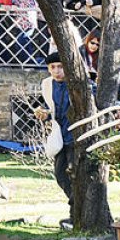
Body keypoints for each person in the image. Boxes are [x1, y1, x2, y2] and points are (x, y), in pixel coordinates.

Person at [36, 51, 75, 225]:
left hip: (77, 134)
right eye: (53, 67)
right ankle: (76, 206)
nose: (57, 71)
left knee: (77, 174)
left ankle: (76, 212)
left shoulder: (78, 82)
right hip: (60, 134)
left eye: (60, 66)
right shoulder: (47, 84)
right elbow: (50, 107)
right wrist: (43, 113)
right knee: (60, 174)